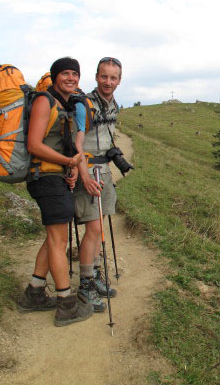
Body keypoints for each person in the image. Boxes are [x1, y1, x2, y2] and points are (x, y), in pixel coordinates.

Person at [17, 57, 94, 327]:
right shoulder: (44, 101)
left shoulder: (64, 104)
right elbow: (34, 145)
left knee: (54, 238)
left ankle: (34, 293)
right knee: (59, 242)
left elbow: (62, 145)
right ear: (54, 76)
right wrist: (69, 163)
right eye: (65, 73)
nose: (71, 78)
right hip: (45, 178)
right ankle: (66, 305)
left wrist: (69, 167)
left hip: (54, 177)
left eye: (75, 74)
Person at [74, 57, 123, 310]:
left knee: (98, 228)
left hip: (104, 171)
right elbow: (77, 144)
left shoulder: (114, 105)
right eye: (104, 76)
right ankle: (85, 284)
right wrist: (83, 175)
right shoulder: (85, 104)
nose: (108, 82)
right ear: (96, 77)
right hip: (88, 171)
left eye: (113, 77)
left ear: (119, 80)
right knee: (92, 229)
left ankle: (93, 276)